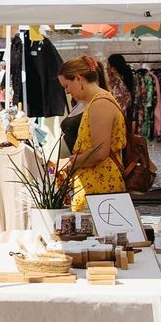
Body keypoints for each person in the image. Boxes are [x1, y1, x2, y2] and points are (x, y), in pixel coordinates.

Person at [58, 55, 127, 212]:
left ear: (78, 78)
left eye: (66, 85)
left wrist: (68, 163)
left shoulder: (100, 104)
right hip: (96, 184)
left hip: (100, 185)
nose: (67, 91)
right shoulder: (94, 102)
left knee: (99, 234)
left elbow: (99, 153)